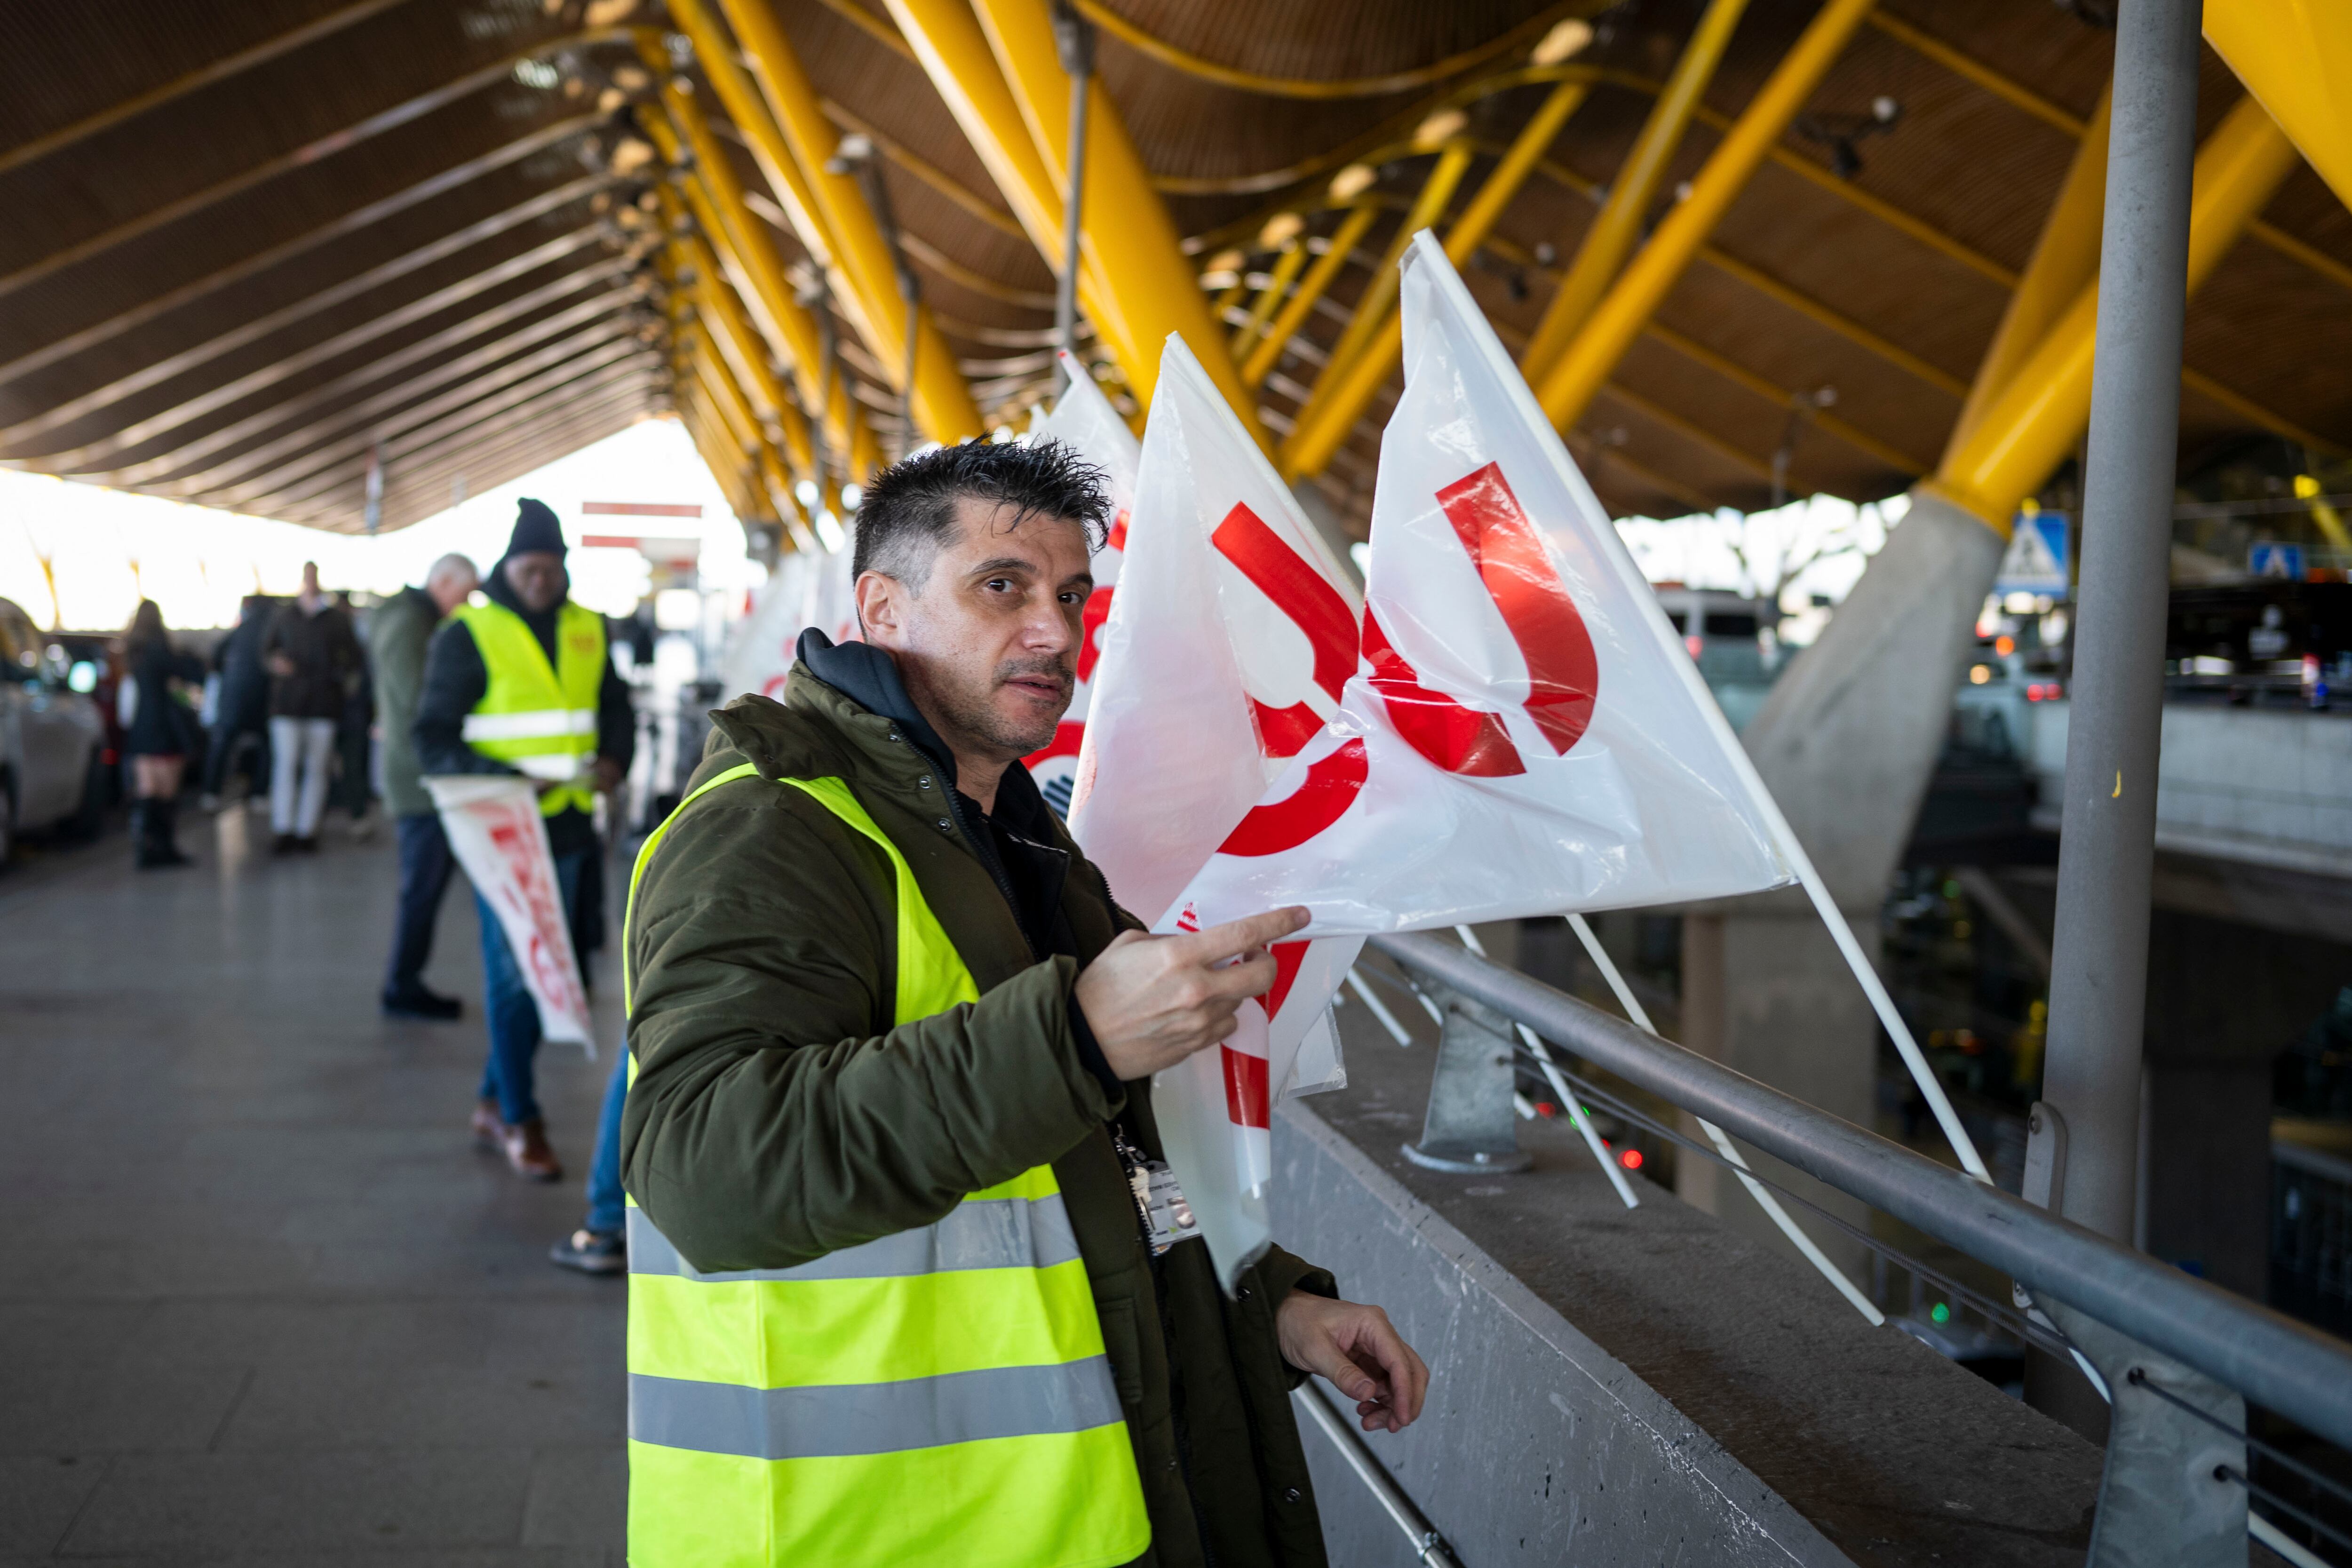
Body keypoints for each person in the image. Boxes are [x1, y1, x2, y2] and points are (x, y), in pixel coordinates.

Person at [618, 441, 1427, 1567]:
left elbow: (1090, 1173)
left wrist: (1264, 1309)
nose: (1054, 631)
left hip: (1067, 1514)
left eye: (1072, 595)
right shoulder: (772, 828)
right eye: (1002, 586)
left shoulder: (1015, 831)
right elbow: (702, 1166)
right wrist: (1078, 1038)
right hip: (870, 1532)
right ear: (880, 607)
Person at [415, 499, 632, 1181]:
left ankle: (492, 1098)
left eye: (552, 567)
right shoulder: (468, 635)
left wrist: (614, 762)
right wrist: (510, 780)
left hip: (568, 829)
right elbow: (432, 738)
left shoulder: (587, 627)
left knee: (550, 969)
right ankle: (520, 1118)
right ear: (510, 567)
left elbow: (614, 708)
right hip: (500, 831)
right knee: (515, 973)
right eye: (530, 567)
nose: (541, 578)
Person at [369, 554, 478, 1021]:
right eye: (465, 592)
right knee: (422, 889)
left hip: (418, 772)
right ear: (443, 581)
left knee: (425, 888)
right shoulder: (410, 626)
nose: (466, 602)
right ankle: (402, 985)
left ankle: (404, 981)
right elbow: (421, 707)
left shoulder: (405, 618)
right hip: (419, 779)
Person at [262, 563, 360, 853]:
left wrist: (340, 678)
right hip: (288, 703)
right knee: (287, 764)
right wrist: (275, 663)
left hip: (323, 702)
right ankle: (284, 828)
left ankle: (308, 829)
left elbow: (354, 657)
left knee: (317, 767)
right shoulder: (284, 616)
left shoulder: (335, 620)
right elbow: (265, 652)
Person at [117, 600, 205, 869]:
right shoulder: (160, 649)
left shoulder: (133, 651)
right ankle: (164, 847)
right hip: (165, 725)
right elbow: (193, 672)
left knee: (147, 789)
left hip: (142, 725)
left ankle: (145, 849)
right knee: (167, 791)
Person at [200, 595, 272, 807]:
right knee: (265, 748)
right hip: (259, 704)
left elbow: (215, 656)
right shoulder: (269, 634)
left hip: (232, 702)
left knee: (222, 746)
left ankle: (211, 793)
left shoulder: (239, 633)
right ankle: (259, 793)